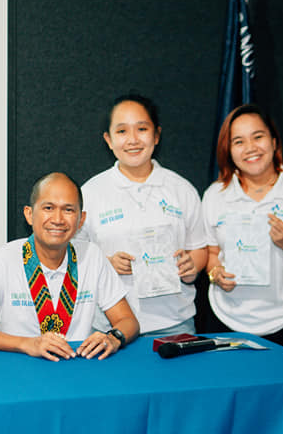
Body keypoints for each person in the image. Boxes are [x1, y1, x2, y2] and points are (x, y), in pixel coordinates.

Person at [0, 172, 139, 360]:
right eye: (48, 208)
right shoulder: (0, 261)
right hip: (16, 369)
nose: (58, 219)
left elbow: (128, 321)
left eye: (68, 210)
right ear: (29, 214)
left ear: (81, 220)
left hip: (76, 368)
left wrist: (114, 338)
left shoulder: (92, 256)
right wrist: (26, 343)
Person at [202, 104, 283, 355]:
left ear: (274, 142)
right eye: (238, 141)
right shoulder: (214, 196)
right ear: (228, 151)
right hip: (226, 321)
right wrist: (215, 273)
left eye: (258, 137)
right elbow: (211, 254)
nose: (250, 148)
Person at [76, 93, 207, 336]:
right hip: (108, 326)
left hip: (174, 323)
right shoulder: (90, 193)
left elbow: (199, 248)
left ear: (156, 135)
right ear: (108, 139)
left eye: (142, 129)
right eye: (122, 131)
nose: (133, 140)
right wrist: (106, 262)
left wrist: (192, 265)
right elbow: (73, 255)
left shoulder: (182, 189)